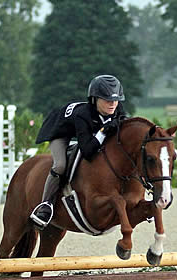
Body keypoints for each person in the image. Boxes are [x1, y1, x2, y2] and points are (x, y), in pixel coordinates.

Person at [30, 74, 126, 229]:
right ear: (95, 99)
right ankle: (46, 205)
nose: (112, 104)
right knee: (60, 165)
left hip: (87, 131)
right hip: (60, 131)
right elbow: (87, 151)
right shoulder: (83, 115)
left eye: (115, 100)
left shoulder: (117, 108)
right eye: (107, 100)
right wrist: (102, 131)